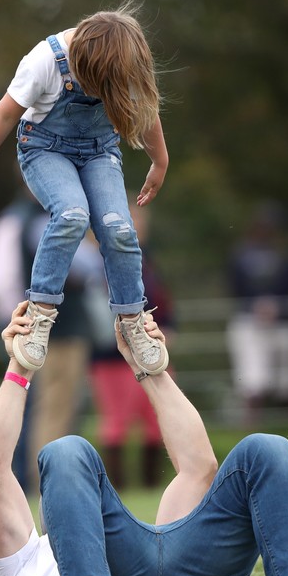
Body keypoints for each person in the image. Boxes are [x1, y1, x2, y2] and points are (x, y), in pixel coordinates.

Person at [0, 302, 288, 576]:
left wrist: (148, 366)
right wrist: (21, 366)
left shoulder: (36, 557)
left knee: (267, 449)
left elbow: (199, 467)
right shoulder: (19, 563)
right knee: (64, 450)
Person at [0, 0, 169, 383]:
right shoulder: (44, 62)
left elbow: (148, 113)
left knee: (119, 228)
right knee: (71, 215)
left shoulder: (125, 64)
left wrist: (160, 162)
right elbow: (3, 114)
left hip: (100, 152)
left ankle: (132, 318)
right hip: (44, 149)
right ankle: (39, 314)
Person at [0, 191, 99, 493]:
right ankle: (50, 480)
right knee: (55, 410)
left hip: (56, 330)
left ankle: (51, 478)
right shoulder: (44, 222)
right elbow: (87, 266)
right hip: (60, 332)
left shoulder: (24, 220)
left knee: (56, 408)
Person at [85, 203, 172, 489]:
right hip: (111, 356)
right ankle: (117, 488)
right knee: (116, 421)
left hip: (148, 347)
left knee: (155, 418)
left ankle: (151, 484)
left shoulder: (148, 260)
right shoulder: (98, 262)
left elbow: (163, 300)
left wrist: (168, 328)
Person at [227, 201, 288, 424]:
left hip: (283, 322)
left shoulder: (287, 256)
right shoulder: (241, 255)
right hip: (249, 321)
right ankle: (253, 428)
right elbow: (235, 286)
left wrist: (277, 306)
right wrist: (255, 306)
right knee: (253, 380)